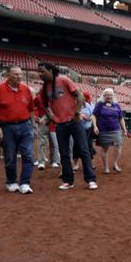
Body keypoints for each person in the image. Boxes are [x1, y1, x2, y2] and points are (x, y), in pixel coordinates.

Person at [38, 62, 97, 190]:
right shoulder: (44, 89)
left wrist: (77, 112)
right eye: (39, 72)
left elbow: (80, 95)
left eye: (43, 71)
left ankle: (91, 180)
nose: (40, 74)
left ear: (51, 71)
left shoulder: (64, 80)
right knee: (64, 153)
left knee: (83, 150)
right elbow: (46, 106)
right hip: (60, 124)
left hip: (74, 122)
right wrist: (52, 118)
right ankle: (68, 181)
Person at [0, 66, 36, 194]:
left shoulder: (25, 89)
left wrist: (33, 124)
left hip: (25, 125)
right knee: (10, 157)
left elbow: (31, 109)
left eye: (20, 74)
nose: (19, 77)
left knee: (28, 155)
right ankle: (11, 181)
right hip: (7, 127)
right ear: (8, 75)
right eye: (16, 74)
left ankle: (25, 182)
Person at [91, 88, 127, 173]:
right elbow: (93, 116)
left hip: (116, 129)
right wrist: (95, 126)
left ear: (113, 95)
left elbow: (121, 118)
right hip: (103, 130)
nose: (108, 96)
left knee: (118, 146)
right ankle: (106, 167)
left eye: (110, 94)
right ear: (103, 95)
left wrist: (124, 129)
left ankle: (115, 164)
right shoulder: (99, 104)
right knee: (104, 148)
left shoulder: (116, 105)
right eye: (106, 94)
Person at [73, 91, 96, 171]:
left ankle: (89, 164)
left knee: (88, 146)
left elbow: (92, 117)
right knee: (76, 146)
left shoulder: (87, 105)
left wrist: (86, 118)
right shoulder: (74, 105)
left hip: (87, 129)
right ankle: (76, 164)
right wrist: (78, 116)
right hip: (77, 129)